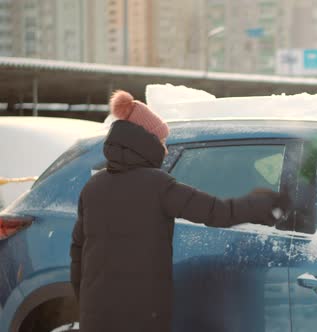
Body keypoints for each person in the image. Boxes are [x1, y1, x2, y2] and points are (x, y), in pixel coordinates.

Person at [70, 90, 289, 332]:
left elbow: (77, 251)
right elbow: (218, 212)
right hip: (141, 314)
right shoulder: (158, 186)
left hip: (96, 313)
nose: (164, 147)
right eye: (161, 141)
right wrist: (261, 202)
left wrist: (86, 304)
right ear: (146, 142)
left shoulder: (93, 186)